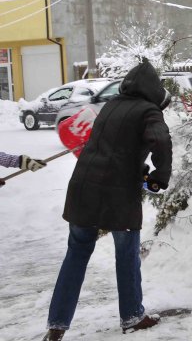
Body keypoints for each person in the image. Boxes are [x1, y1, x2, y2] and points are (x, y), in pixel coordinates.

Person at [44, 60, 173, 340]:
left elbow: (113, 148)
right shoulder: (148, 110)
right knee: (126, 256)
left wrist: (140, 171)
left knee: (75, 256)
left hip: (82, 190)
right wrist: (160, 176)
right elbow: (160, 139)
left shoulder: (112, 104)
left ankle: (56, 326)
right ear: (153, 89)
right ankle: (132, 317)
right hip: (117, 196)